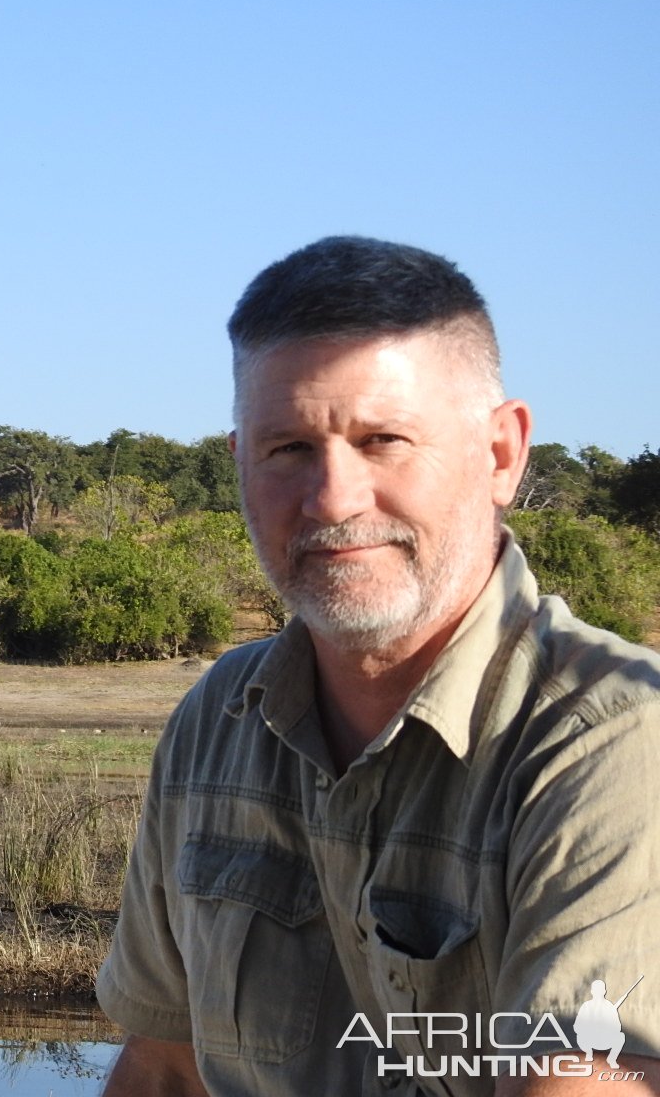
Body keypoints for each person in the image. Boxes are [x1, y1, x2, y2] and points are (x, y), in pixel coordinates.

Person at [95, 236, 660, 1095]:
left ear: (502, 454)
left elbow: (582, 1080)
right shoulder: (219, 718)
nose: (332, 498)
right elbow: (166, 1063)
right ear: (239, 459)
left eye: (384, 440)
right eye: (287, 448)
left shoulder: (611, 740)